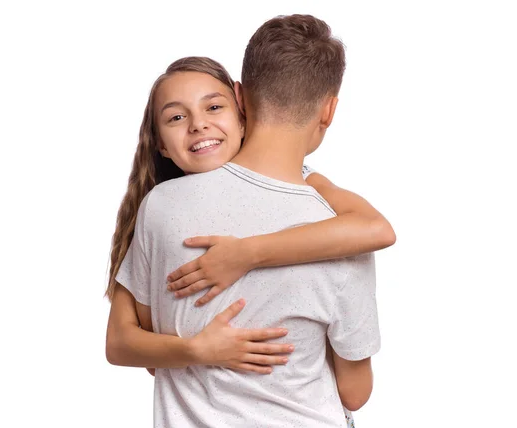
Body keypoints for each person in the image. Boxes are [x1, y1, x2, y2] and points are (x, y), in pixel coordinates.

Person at [106, 15, 389, 427]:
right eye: (176, 117)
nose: (199, 124)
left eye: (212, 106)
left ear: (241, 98)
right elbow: (355, 393)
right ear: (328, 110)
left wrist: (247, 256)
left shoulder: (161, 208)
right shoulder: (340, 233)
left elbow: (150, 345)